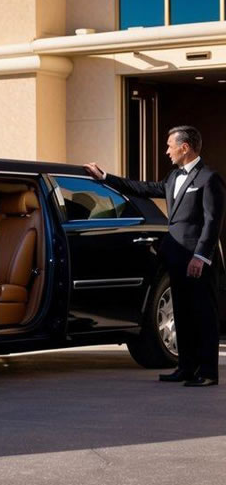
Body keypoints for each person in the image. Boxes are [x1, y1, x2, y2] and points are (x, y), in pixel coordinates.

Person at [84, 125, 225, 386]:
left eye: (170, 146)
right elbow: (143, 188)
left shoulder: (209, 178)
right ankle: (185, 367)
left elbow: (213, 222)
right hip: (175, 256)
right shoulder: (173, 177)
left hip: (197, 260)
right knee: (182, 313)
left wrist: (201, 257)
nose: (167, 151)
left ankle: (207, 373)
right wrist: (105, 177)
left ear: (185, 147)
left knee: (203, 315)